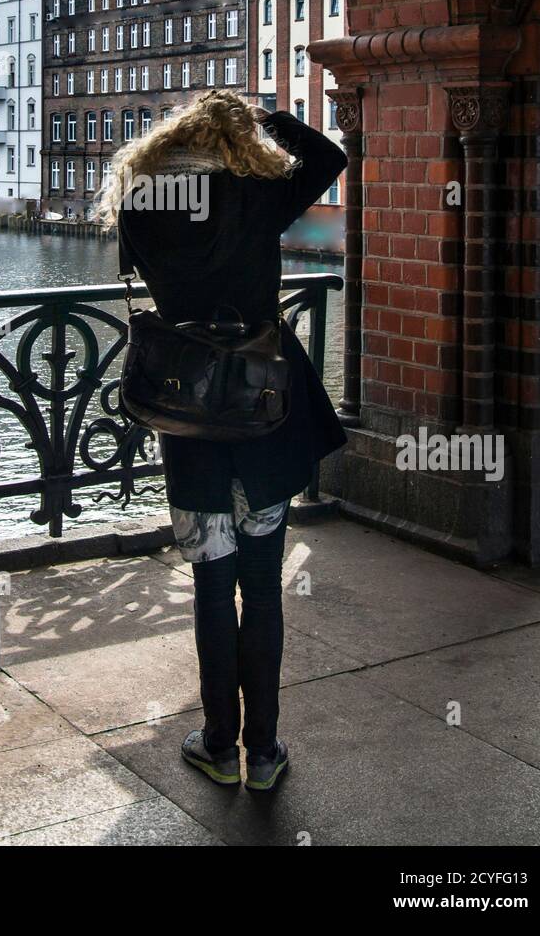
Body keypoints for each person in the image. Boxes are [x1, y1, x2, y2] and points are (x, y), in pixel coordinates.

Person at [94, 90, 347, 792]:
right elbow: (331, 156)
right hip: (264, 405)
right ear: (236, 140)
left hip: (188, 407)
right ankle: (264, 755)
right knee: (263, 587)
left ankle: (217, 744)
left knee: (212, 584)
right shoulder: (258, 194)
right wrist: (265, 115)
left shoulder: (141, 199)